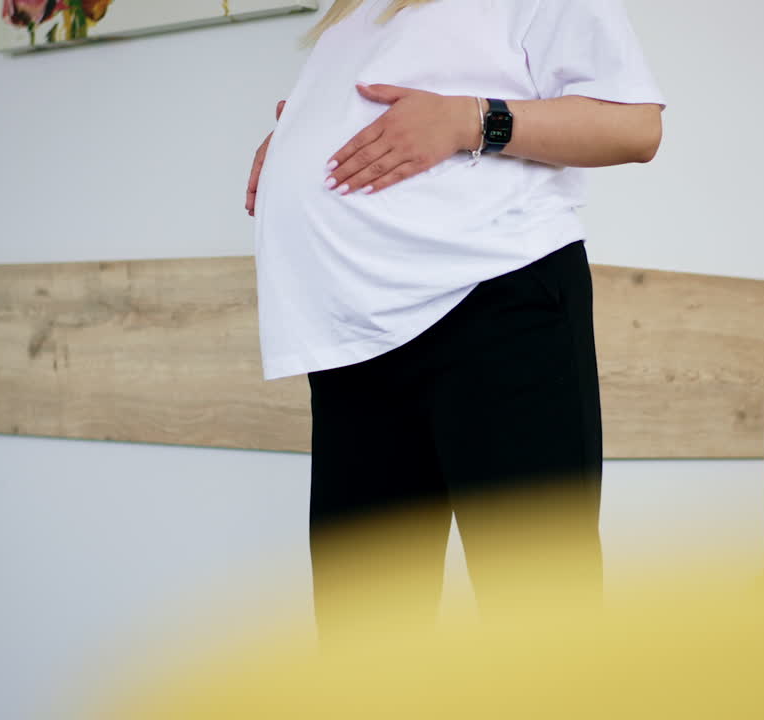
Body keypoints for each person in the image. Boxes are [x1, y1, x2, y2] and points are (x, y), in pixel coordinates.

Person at [244, 0, 665, 636]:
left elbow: (635, 126)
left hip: (493, 313)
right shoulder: (355, 11)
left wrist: (473, 120)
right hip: (356, 339)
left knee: (541, 625)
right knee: (366, 641)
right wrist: (301, 138)